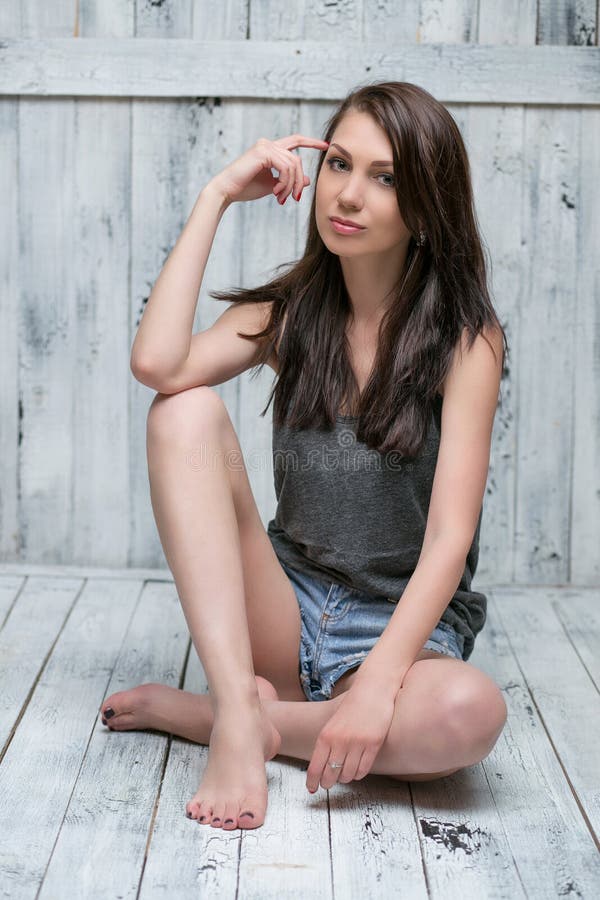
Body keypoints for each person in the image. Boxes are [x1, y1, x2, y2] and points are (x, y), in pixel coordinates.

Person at [100, 81, 509, 832]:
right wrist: (218, 195)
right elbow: (158, 365)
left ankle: (239, 721)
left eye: (384, 179)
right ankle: (238, 708)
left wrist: (382, 683)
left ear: (424, 209)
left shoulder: (466, 340)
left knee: (470, 712)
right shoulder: (290, 315)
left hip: (394, 629)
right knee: (181, 411)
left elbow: (451, 538)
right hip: (283, 610)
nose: (348, 196)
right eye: (338, 165)